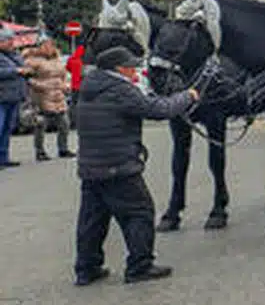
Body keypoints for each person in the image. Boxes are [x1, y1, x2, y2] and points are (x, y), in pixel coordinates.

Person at [73, 46, 199, 286]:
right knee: (139, 213)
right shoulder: (120, 90)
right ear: (118, 69)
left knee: (92, 219)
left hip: (91, 166)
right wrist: (187, 96)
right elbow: (160, 110)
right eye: (130, 66)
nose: (134, 70)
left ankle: (86, 268)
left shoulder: (89, 88)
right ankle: (140, 266)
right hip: (118, 166)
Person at [23, 36, 74, 161]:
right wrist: (41, 85)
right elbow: (27, 78)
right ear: (39, 47)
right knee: (40, 125)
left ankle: (63, 148)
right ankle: (40, 151)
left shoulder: (57, 59)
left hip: (58, 95)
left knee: (64, 123)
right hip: (41, 96)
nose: (49, 48)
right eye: (45, 45)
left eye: (51, 45)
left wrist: (66, 85)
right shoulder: (32, 61)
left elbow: (64, 75)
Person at [0, 27, 30, 169]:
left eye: (11, 40)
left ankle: (4, 157)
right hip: (2, 97)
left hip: (14, 96)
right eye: (7, 40)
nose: (11, 43)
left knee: (8, 128)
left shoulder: (14, 55)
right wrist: (16, 71)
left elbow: (23, 67)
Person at [66, 44, 85, 130]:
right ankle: (78, 122)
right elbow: (82, 74)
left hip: (73, 85)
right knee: (79, 104)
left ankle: (72, 122)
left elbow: (67, 68)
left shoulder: (71, 59)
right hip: (80, 85)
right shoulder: (80, 62)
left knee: (72, 104)